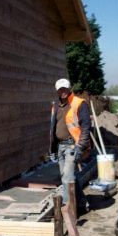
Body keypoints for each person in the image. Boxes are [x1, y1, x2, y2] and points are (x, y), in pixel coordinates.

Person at [50, 78, 91, 213]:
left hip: (72, 146)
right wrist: (52, 149)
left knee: (67, 177)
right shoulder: (56, 106)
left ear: (69, 89)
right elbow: (53, 128)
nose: (63, 92)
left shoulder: (78, 103)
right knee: (67, 177)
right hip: (60, 147)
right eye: (60, 90)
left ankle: (69, 211)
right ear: (57, 91)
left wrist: (81, 146)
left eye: (65, 89)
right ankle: (82, 204)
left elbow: (86, 127)